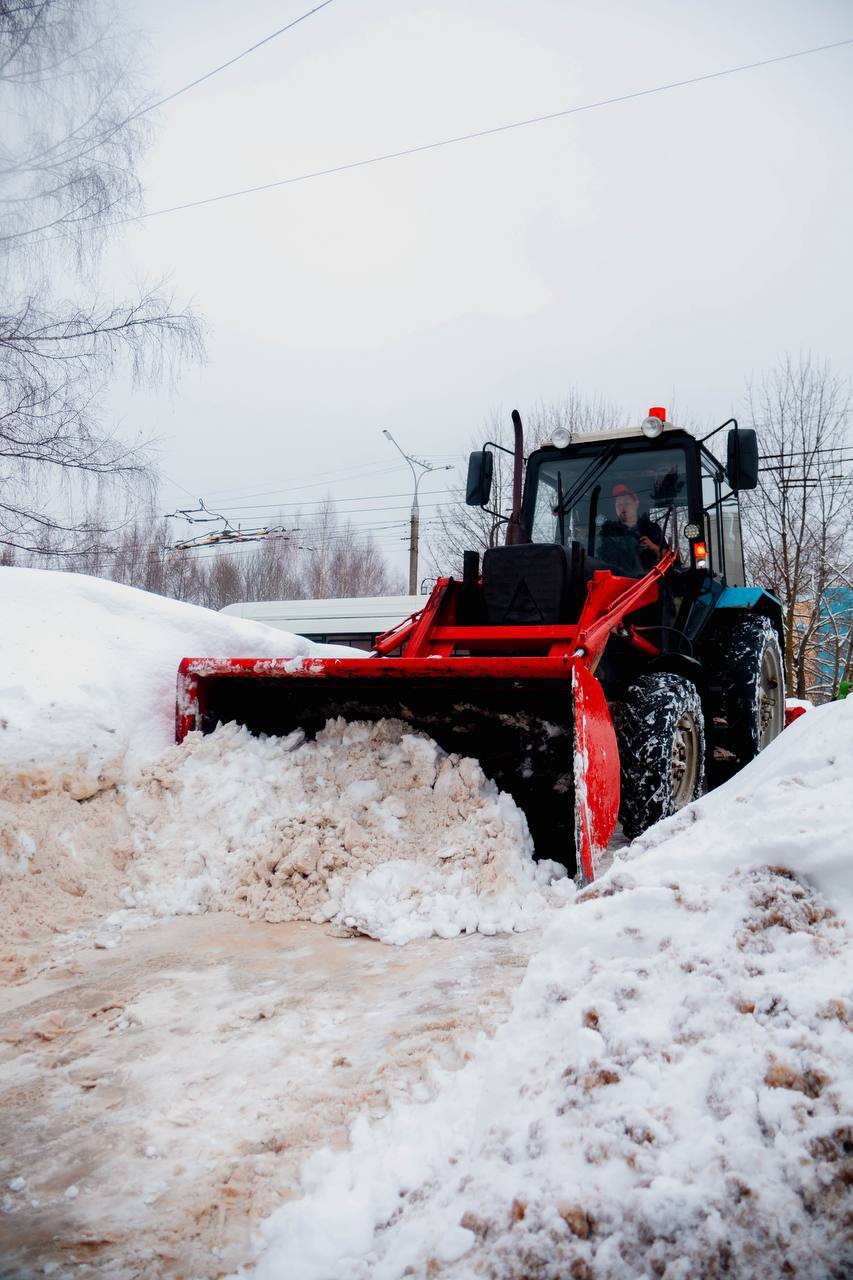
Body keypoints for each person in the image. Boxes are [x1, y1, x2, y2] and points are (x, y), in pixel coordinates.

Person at [598, 483, 665, 575]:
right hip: (618, 579)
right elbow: (601, 562)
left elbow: (669, 558)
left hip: (649, 579)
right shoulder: (609, 533)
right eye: (619, 504)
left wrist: (653, 547)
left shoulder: (651, 529)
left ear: (636, 504)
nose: (622, 508)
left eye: (627, 503)